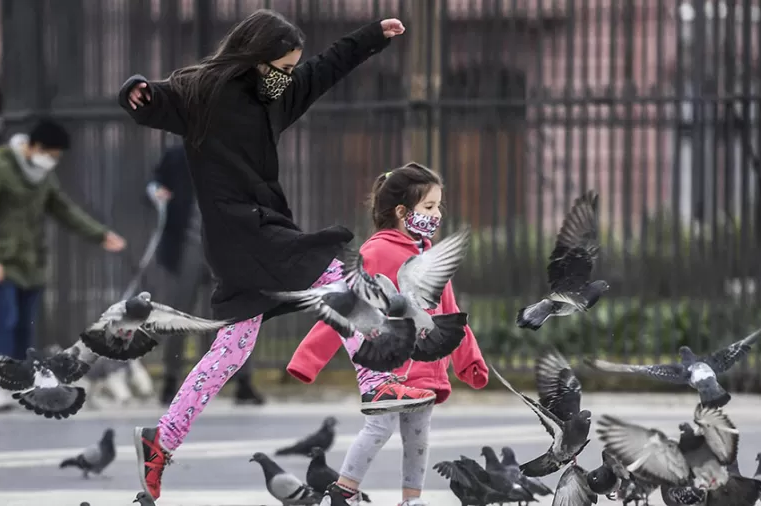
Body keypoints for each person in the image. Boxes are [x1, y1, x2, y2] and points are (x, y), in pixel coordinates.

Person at [118, 9, 420, 500]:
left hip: (254, 233)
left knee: (232, 349)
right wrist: (136, 92)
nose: (286, 78)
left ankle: (161, 442)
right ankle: (377, 381)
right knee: (334, 270)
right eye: (280, 67)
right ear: (256, 58)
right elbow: (154, 102)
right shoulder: (203, 94)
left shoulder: (277, 97)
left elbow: (325, 68)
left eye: (289, 69)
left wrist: (372, 36)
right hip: (243, 233)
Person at [287, 163, 489, 506]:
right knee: (379, 429)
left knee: (418, 439)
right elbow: (345, 307)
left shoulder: (427, 257)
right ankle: (342, 494)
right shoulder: (377, 252)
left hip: (425, 369)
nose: (437, 214)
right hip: (390, 369)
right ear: (401, 211)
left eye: (439, 206)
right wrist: (308, 359)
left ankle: (411, 499)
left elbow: (451, 316)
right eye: (429, 207)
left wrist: (469, 361)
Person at [0, 118, 127, 412]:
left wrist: (100, 235)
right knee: (7, 321)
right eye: (51, 154)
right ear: (34, 147)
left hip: (31, 263)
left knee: (25, 328)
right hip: (3, 263)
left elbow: (63, 209)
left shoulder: (42, 177)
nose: (52, 161)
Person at [146, 143, 264, 406]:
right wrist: (156, 192)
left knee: (235, 316)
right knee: (178, 315)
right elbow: (155, 183)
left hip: (225, 249)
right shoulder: (177, 155)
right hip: (185, 248)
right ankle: (170, 380)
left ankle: (243, 381)